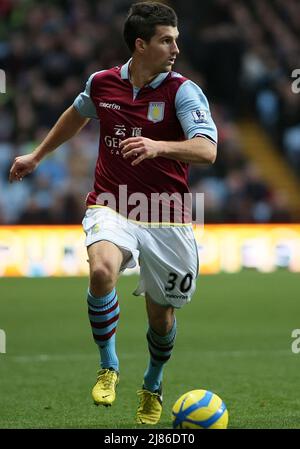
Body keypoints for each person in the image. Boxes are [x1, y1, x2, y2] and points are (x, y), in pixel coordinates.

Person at [9, 2, 217, 425]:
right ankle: (109, 366)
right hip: (112, 203)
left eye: (176, 39)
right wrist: (36, 154)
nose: (176, 48)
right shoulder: (103, 84)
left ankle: (153, 382)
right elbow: (77, 114)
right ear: (140, 45)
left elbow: (208, 150)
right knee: (102, 271)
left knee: (161, 319)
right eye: (166, 40)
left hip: (167, 214)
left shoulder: (183, 91)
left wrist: (159, 146)